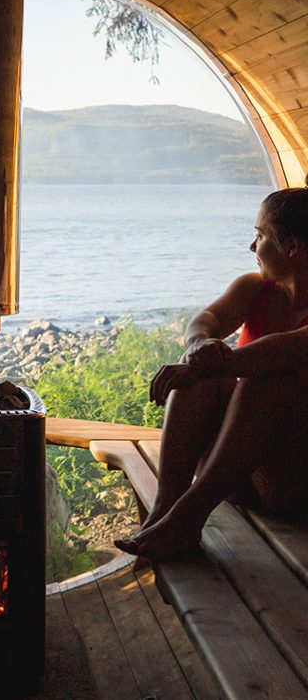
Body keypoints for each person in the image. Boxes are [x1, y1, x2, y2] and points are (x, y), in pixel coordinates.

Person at [114, 185, 308, 560]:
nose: (252, 248)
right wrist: (199, 345)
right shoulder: (254, 288)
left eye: (260, 235)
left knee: (270, 383)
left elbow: (281, 352)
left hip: (293, 481)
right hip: (238, 475)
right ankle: (165, 511)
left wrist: (203, 365)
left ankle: (187, 516)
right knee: (204, 379)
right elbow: (207, 319)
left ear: (292, 247)